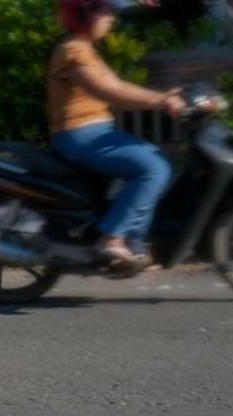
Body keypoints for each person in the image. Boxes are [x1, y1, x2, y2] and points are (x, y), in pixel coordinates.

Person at [48, 0, 186, 268]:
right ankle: (111, 239)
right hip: (79, 133)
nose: (111, 18)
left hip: (97, 130)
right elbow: (108, 91)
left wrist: (164, 97)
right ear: (84, 13)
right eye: (106, 11)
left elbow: (117, 85)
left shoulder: (85, 48)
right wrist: (160, 100)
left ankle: (134, 245)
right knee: (153, 168)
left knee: (157, 158)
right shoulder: (72, 51)